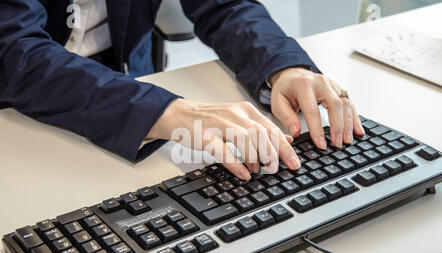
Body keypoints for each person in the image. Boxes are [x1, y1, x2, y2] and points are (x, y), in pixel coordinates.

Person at [0, 0, 365, 180]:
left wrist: (282, 65)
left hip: (127, 87)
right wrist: (162, 110)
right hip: (17, 118)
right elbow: (14, 50)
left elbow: (224, 5)